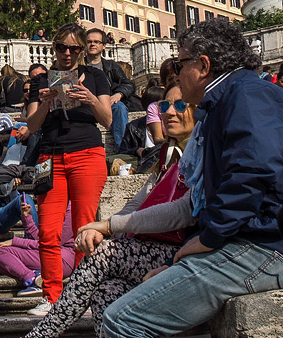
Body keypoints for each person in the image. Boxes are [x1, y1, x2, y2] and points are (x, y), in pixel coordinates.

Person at [100, 19, 283, 338]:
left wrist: (208, 240)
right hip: (248, 240)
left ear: (203, 65)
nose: (175, 71)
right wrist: (177, 262)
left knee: (122, 319)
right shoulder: (229, 99)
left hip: (264, 246)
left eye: (180, 62)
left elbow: (253, 173)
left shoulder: (247, 95)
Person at [23, 84, 198, 337]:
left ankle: (41, 334)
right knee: (107, 291)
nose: (169, 112)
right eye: (164, 105)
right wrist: (105, 228)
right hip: (160, 250)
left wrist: (108, 228)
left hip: (188, 256)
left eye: (180, 105)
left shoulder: (200, 153)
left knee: (104, 254)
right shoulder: (166, 156)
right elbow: (137, 203)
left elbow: (181, 212)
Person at [23, 22, 112, 317]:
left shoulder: (97, 76)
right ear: (54, 48)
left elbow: (108, 120)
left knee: (84, 228)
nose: (68, 54)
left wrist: (88, 98)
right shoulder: (41, 80)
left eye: (75, 48)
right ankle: (52, 296)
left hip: (87, 153)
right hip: (49, 157)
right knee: (47, 231)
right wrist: (46, 103)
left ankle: (81, 294)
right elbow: (32, 126)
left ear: (83, 50)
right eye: (62, 47)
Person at [0, 202, 73, 298]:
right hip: (52, 255)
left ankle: (32, 279)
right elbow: (41, 239)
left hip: (62, 259)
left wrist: (15, 241)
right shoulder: (57, 204)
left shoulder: (71, 208)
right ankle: (37, 274)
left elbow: (55, 242)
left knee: (0, 252)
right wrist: (26, 217)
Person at [84, 28, 135, 150]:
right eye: (89, 41)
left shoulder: (111, 66)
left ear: (104, 46)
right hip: (84, 105)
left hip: (107, 105)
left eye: (97, 42)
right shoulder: (78, 66)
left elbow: (128, 84)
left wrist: (119, 94)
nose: (93, 44)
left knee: (120, 107)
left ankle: (122, 150)